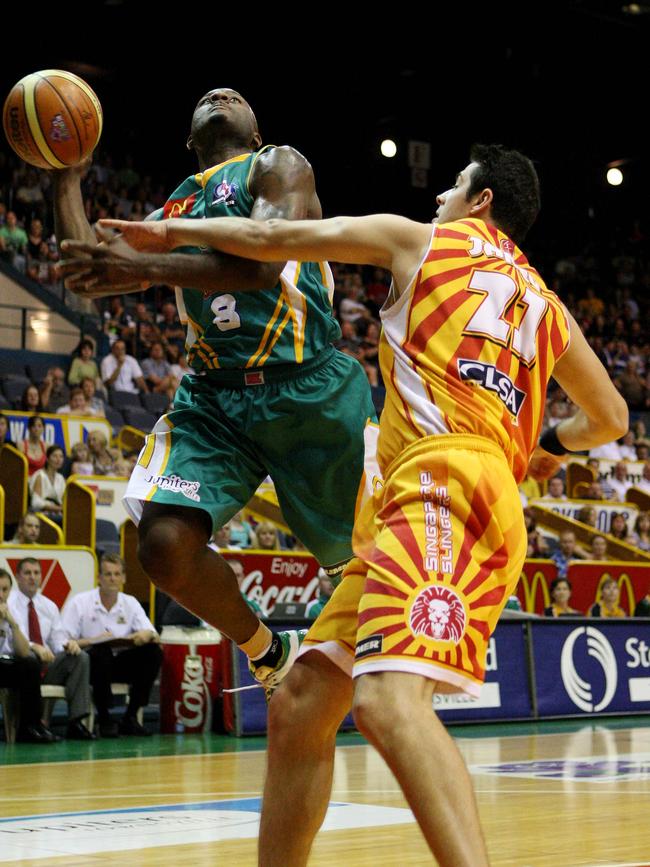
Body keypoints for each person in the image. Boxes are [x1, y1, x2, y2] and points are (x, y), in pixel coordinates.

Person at [93, 144, 628, 866]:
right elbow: (611, 418)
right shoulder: (547, 305)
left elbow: (269, 238)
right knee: (303, 703)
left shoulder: (420, 239)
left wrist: (168, 233)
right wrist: (550, 449)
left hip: (439, 482)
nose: (439, 195)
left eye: (453, 186)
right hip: (452, 492)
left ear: (481, 202)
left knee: (386, 702)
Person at [56, 87, 375, 696]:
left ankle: (395, 672)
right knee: (162, 547)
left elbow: (259, 262)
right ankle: (268, 651)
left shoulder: (278, 164)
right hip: (215, 399)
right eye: (207, 96)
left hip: (310, 389)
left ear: (255, 133)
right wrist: (63, 178)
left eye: (234, 96)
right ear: (189, 141)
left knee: (358, 561)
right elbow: (87, 276)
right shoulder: (175, 206)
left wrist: (146, 263)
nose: (219, 93)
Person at [61, 554, 162, 737]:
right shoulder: (80, 602)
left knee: (153, 652)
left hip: (120, 663)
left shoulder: (130, 603)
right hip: (90, 665)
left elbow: (152, 633)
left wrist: (145, 634)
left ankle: (130, 716)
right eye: (108, 574)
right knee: (101, 652)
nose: (113, 578)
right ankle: (105, 717)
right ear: (99, 578)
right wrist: (93, 640)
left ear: (123, 577)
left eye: (117, 574)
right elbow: (64, 640)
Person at [8, 558, 95, 739]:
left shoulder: (49, 606)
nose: (33, 577)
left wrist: (67, 644)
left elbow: (57, 639)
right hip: (22, 663)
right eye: (27, 573)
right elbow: (11, 640)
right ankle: (31, 726)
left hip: (48, 665)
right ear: (17, 577)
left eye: (36, 573)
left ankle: (75, 722)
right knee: (29, 659)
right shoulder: (10, 602)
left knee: (80, 657)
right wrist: (35, 646)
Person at [0, 568, 59, 743]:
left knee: (30, 664)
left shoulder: (12, 611)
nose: (1, 594)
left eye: (5, 590)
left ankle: (30, 727)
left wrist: (12, 624)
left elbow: (24, 651)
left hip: (4, 664)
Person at [29, 444, 66, 518]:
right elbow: (35, 502)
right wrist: (57, 508)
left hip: (58, 513)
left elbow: (63, 500)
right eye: (55, 456)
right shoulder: (40, 475)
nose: (58, 459)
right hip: (40, 514)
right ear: (47, 459)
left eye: (61, 456)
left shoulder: (60, 478)